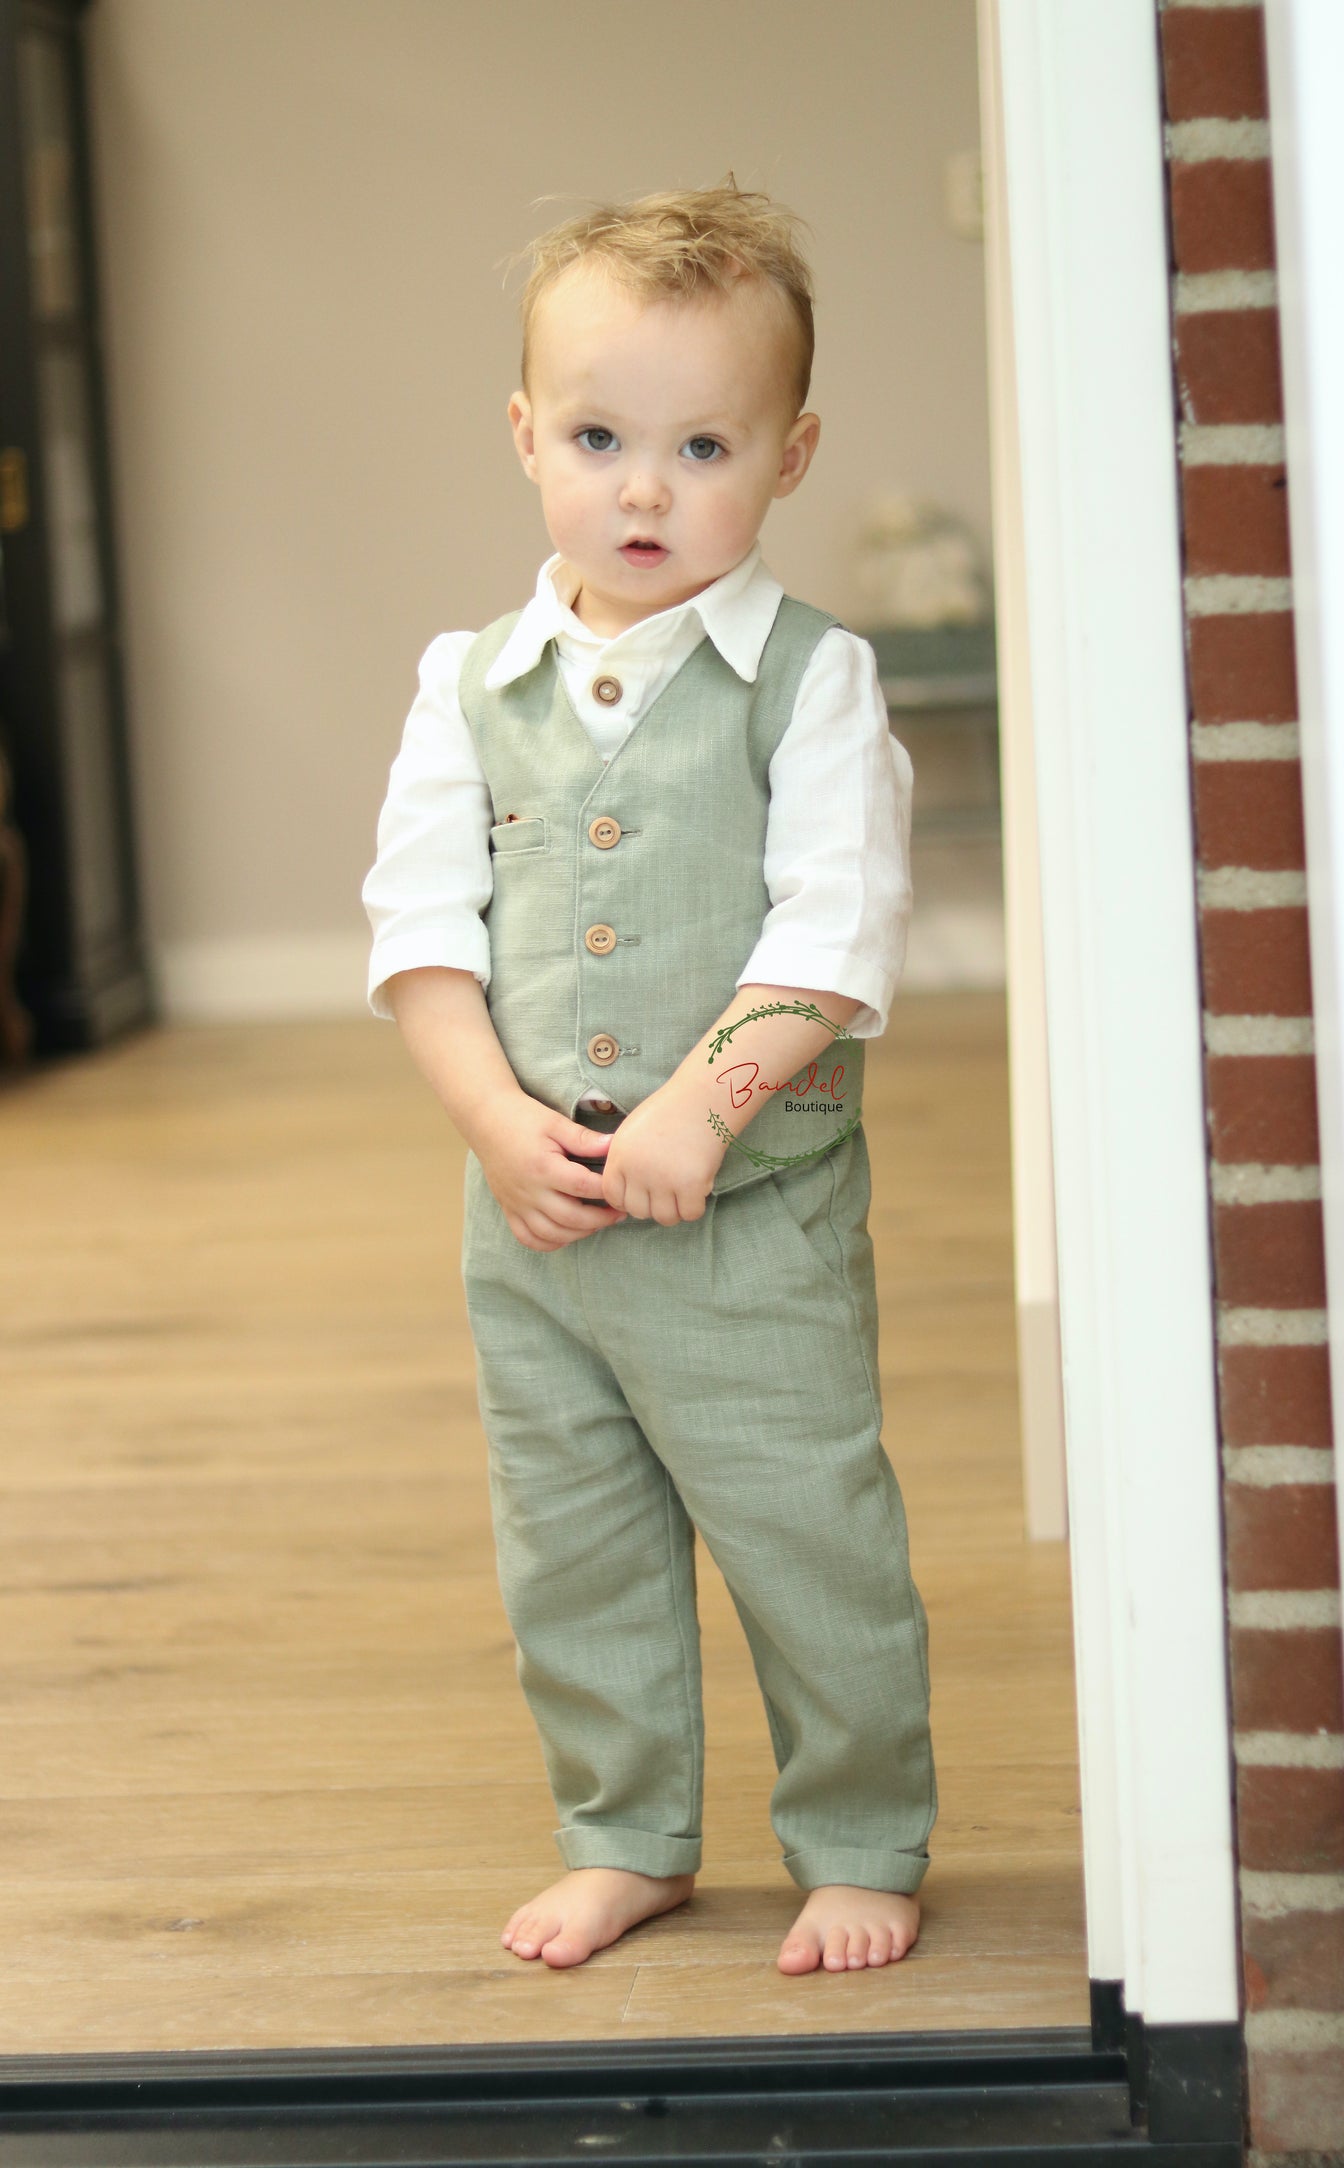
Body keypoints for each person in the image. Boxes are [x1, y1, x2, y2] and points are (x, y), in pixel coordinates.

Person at [362, 177, 936, 1977]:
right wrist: (488, 1122)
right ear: (525, 434)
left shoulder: (809, 683)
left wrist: (701, 1106)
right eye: (600, 437)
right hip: (535, 1223)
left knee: (802, 1527)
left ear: (786, 456)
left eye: (701, 445)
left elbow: (831, 934)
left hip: (742, 1222)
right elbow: (420, 937)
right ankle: (627, 1831)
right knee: (575, 1543)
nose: (642, 487)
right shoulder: (470, 684)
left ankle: (859, 1833)